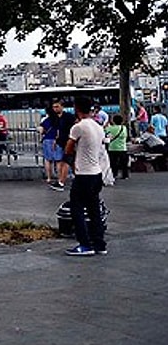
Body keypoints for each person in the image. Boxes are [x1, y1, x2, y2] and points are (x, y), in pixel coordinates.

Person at [64, 96, 107, 256]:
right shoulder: (98, 126)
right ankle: (99, 244)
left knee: (77, 209)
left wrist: (73, 162)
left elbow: (68, 149)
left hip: (83, 174)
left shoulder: (78, 127)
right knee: (94, 210)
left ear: (76, 108)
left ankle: (84, 244)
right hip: (96, 173)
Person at [43, 100, 76, 191]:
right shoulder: (57, 118)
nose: (55, 109)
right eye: (54, 107)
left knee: (65, 162)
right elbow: (58, 131)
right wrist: (55, 141)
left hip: (69, 142)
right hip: (61, 142)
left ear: (62, 107)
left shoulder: (68, 117)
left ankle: (61, 182)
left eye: (57, 107)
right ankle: (80, 179)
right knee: (71, 162)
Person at [105, 114, 130, 181]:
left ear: (113, 121)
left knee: (113, 163)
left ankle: (114, 174)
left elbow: (106, 134)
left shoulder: (109, 128)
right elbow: (126, 137)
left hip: (112, 148)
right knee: (124, 163)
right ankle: (125, 175)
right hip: (122, 148)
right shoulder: (124, 128)